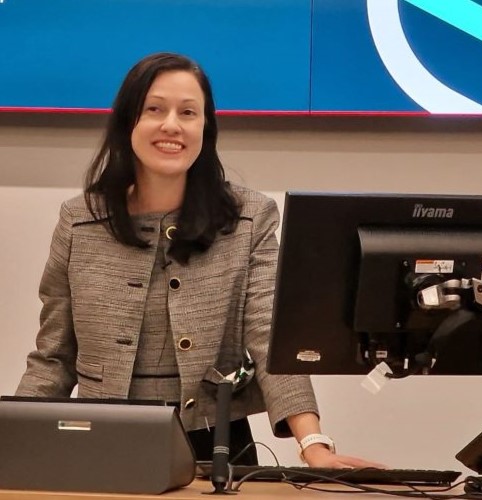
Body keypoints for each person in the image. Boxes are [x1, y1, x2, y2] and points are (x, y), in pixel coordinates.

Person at [16, 52, 379, 468]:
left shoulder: (249, 218)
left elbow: (269, 338)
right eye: (155, 109)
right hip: (104, 440)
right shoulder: (80, 221)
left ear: (205, 127)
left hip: (217, 445)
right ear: (127, 121)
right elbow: (54, 357)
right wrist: (17, 444)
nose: (172, 125)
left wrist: (313, 443)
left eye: (188, 112)